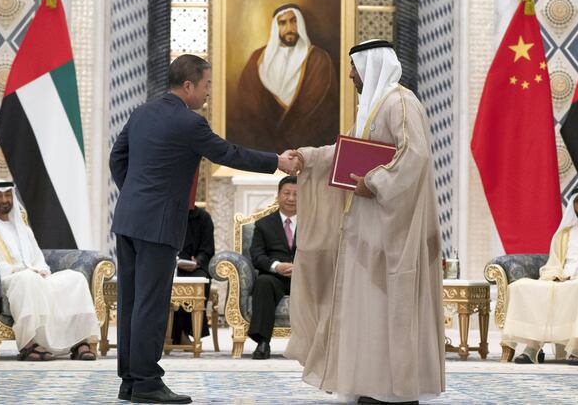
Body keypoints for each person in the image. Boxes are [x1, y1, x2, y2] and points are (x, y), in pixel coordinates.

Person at [110, 54, 297, 404]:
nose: (209, 92)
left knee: (132, 301)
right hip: (160, 224)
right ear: (189, 86)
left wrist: (137, 195)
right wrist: (277, 162)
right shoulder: (190, 123)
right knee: (150, 304)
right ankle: (147, 382)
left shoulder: (140, 113)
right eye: (207, 85)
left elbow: (117, 159)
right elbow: (230, 153)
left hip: (129, 219)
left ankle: (130, 381)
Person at [284, 40, 445, 405]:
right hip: (364, 231)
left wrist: (374, 183)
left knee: (387, 307)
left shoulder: (401, 103)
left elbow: (414, 155)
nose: (352, 75)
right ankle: (368, 383)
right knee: (366, 310)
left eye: (355, 67)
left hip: (392, 232)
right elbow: (345, 155)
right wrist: (307, 158)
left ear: (372, 65)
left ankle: (391, 389)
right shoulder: (371, 109)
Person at [0, 180, 99, 361]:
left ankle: (79, 342)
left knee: (75, 279)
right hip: (6, 282)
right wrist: (21, 271)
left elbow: (39, 260)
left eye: (7, 195)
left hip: (34, 277)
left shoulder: (23, 229)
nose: (4, 200)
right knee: (27, 279)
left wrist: (40, 270)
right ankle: (28, 344)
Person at [503, 184, 578, 365]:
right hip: (561, 281)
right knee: (519, 286)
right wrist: (555, 275)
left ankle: (577, 349)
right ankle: (532, 347)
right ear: (573, 206)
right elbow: (551, 265)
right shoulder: (562, 235)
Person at [227, 3, 339, 153]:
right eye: (283, 23)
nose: (290, 28)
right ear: (276, 27)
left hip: (307, 148)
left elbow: (322, 108)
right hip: (263, 148)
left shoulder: (318, 59)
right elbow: (247, 104)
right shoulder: (257, 59)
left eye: (294, 21)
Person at [248, 176, 298, 360]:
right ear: (278, 196)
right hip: (275, 276)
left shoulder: (313, 222)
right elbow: (257, 256)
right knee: (263, 282)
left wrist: (301, 267)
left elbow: (321, 252)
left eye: (296, 194)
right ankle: (262, 342)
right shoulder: (264, 224)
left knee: (322, 283)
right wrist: (276, 267)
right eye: (287, 193)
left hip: (304, 276)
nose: (291, 198)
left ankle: (317, 346)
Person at [170, 206, 215, 346]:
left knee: (201, 279)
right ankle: (167, 332)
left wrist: (198, 261)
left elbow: (207, 249)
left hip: (194, 266)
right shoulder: (166, 213)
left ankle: (185, 332)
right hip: (168, 265)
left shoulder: (203, 217)